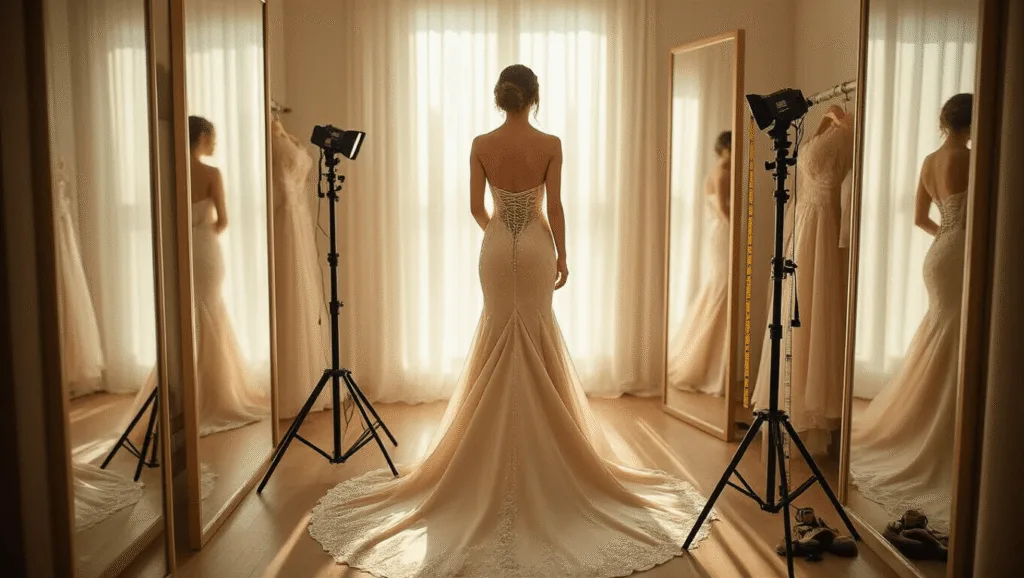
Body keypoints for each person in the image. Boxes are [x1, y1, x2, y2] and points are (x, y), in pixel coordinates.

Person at [307, 64, 713, 578]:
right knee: (538, 336)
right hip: (539, 247)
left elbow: (476, 207)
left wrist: (501, 231)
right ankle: (553, 462)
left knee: (496, 336)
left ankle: (481, 462)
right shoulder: (550, 141)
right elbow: (557, 207)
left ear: (500, 98)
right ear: (535, 96)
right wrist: (561, 255)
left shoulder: (481, 141)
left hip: (496, 249)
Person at [849, 93, 973, 533]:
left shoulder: (929, 160)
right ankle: (945, 430)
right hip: (960, 255)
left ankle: (930, 422)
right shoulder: (973, 158)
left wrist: (950, 234)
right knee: (957, 335)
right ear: (972, 123)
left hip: (939, 253)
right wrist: (963, 237)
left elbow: (921, 218)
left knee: (943, 332)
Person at [667, 131, 732, 396]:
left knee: (717, 290)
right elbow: (727, 211)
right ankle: (707, 364)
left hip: (717, 232)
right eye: (731, 146)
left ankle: (711, 362)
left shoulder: (715, 172)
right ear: (724, 149)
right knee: (721, 291)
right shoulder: (723, 172)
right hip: (724, 232)